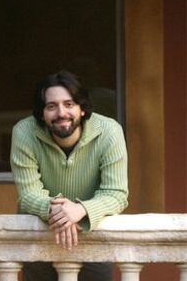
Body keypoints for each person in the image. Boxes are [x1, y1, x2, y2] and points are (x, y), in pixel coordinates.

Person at [10, 71, 128, 281]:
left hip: (94, 237)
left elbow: (116, 193)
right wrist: (58, 211)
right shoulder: (24, 132)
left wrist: (80, 210)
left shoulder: (109, 131)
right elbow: (28, 194)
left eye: (69, 104)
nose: (61, 113)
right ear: (42, 113)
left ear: (82, 108)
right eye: (51, 106)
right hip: (40, 238)